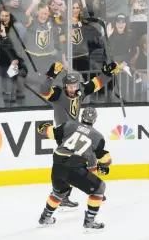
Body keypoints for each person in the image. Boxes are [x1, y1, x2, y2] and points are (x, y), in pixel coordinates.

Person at [38, 61, 121, 208]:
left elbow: (96, 83)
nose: (73, 89)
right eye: (70, 86)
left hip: (77, 131)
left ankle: (93, 191)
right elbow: (44, 91)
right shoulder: (57, 94)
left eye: (75, 86)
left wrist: (108, 72)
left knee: (92, 158)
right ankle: (64, 194)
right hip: (63, 134)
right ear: (64, 86)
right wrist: (51, 75)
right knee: (71, 165)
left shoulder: (80, 91)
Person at [37, 107, 112, 230]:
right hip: (74, 167)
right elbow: (104, 157)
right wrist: (105, 166)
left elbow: (50, 132)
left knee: (59, 193)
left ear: (82, 116)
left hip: (57, 166)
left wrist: (43, 127)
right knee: (99, 188)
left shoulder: (70, 125)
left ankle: (45, 217)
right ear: (94, 120)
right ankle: (90, 221)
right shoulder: (98, 137)